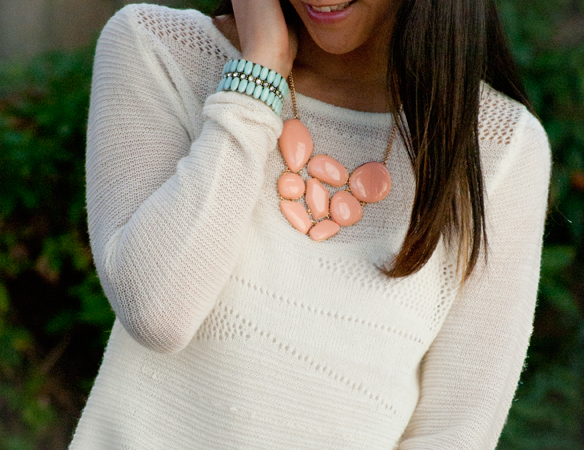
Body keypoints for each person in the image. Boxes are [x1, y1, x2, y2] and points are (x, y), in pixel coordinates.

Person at [69, 0, 551, 448]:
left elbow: (454, 431)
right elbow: (158, 313)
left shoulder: (499, 148)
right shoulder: (159, 49)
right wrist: (259, 74)